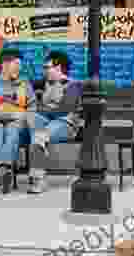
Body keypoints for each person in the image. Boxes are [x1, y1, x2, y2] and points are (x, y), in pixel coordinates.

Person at [26, 51, 83, 194]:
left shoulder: (73, 86)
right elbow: (24, 87)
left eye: (47, 67)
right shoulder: (43, 83)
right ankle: (34, 174)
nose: (44, 70)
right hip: (47, 123)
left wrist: (40, 109)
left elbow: (63, 110)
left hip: (65, 124)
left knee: (38, 135)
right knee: (32, 121)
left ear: (58, 68)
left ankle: (38, 179)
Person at [0, 46, 36, 194]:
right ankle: (2, 171)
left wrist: (24, 117)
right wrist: (10, 115)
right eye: (17, 64)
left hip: (18, 122)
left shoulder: (24, 84)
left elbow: (32, 107)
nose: (20, 68)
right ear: (5, 64)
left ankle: (1, 171)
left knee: (13, 131)